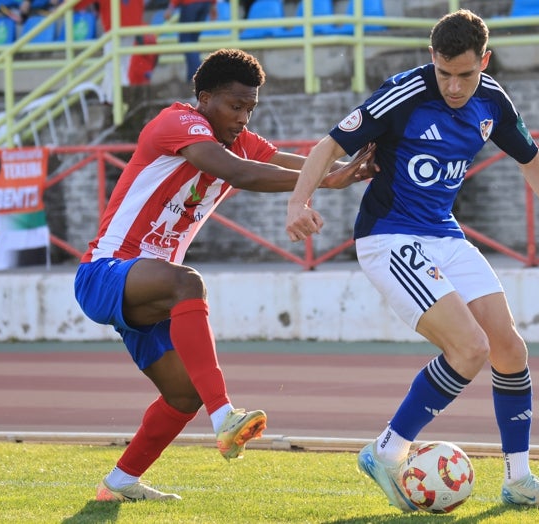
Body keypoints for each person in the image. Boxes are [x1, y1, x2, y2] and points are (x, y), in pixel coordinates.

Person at [285, 9, 539, 512]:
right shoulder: (403, 92)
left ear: (484, 61)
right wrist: (299, 202)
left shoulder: (492, 98)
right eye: (444, 72)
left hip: (444, 235)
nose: (453, 86)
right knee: (469, 349)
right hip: (389, 236)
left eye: (465, 74)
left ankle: (519, 478)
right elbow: (331, 144)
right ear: (432, 58)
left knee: (509, 349)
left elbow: (531, 159)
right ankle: (386, 451)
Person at [75, 48, 376, 502]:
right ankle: (224, 419)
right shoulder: (178, 124)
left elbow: (294, 164)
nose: (243, 118)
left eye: (250, 109)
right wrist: (324, 181)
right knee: (188, 282)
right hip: (105, 273)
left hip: (147, 288)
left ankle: (117, 485)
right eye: (235, 107)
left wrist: (353, 172)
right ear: (204, 98)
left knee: (181, 396)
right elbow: (239, 173)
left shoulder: (239, 139)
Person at [74, 0, 146, 103]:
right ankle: (113, 100)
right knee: (121, 68)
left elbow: (77, 4)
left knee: (115, 68)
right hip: (131, 29)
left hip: (115, 30)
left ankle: (120, 100)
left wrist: (61, 4)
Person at [164, 0, 217, 82]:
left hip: (190, 4)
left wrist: (170, 8)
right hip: (205, 3)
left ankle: (198, 75)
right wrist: (213, 5)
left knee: (186, 40)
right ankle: (192, 77)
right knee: (193, 41)